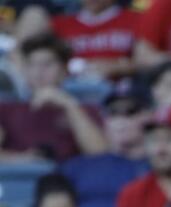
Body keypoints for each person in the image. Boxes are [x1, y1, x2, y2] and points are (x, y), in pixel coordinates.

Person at [60, 79, 150, 207]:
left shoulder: (161, 166)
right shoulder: (78, 166)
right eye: (113, 112)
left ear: (149, 116)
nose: (120, 120)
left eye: (130, 111)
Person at [0, 34, 106, 162]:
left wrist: (69, 106)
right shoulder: (5, 110)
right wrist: (24, 159)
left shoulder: (87, 110)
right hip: (18, 178)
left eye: (47, 64)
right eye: (31, 64)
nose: (38, 72)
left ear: (64, 70)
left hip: (68, 178)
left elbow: (100, 155)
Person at [50, 0, 140, 80]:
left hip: (124, 88)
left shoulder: (137, 20)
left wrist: (117, 67)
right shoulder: (59, 25)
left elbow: (148, 62)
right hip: (71, 88)